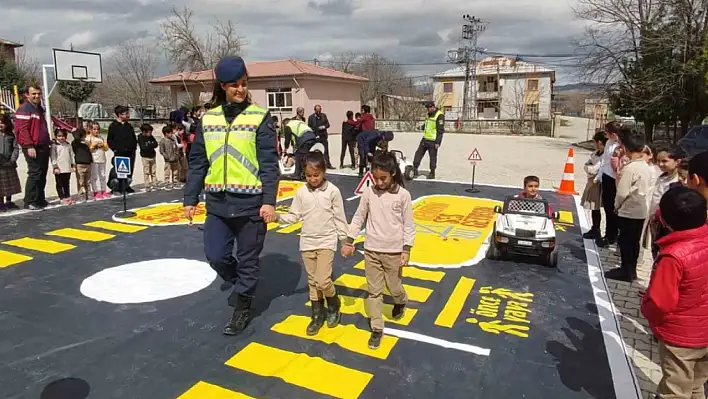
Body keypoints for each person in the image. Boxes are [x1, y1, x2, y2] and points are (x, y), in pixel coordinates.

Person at [183, 55, 279, 336]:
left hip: (251, 204)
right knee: (216, 255)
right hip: (218, 204)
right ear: (223, 86)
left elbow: (269, 163)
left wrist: (269, 201)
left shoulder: (259, 117)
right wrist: (190, 199)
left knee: (249, 259)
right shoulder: (208, 119)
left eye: (244, 84)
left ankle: (243, 306)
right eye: (234, 85)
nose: (240, 90)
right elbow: (198, 160)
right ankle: (243, 283)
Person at [640, 186, 708, 399]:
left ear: (666, 222)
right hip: (705, 332)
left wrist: (649, 313)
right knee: (696, 385)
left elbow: (660, 303)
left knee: (675, 390)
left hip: (681, 337)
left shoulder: (672, 256)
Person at [342, 152, 415, 349]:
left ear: (393, 174)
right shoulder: (369, 193)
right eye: (376, 178)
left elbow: (408, 225)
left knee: (394, 286)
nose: (379, 182)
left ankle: (401, 300)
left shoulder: (403, 196)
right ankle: (376, 329)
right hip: (371, 251)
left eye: (383, 178)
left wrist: (406, 250)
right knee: (373, 292)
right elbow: (358, 217)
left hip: (393, 252)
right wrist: (349, 240)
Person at [277, 151, 349, 335]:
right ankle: (317, 315)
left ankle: (333, 304)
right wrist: (277, 217)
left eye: (316, 175)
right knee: (313, 282)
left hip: (327, 241)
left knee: (323, 280)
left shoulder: (332, 191)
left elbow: (340, 218)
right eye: (308, 176)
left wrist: (345, 241)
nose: (313, 179)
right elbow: (294, 216)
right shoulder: (302, 192)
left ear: (324, 172)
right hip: (307, 242)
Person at [606, 131, 652, 282]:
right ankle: (632, 270)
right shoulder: (646, 167)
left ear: (625, 148)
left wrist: (616, 206)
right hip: (641, 210)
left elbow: (622, 192)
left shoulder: (630, 168)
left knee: (625, 241)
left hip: (628, 210)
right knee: (634, 242)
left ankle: (625, 271)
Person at [644, 147, 684, 259]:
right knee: (655, 250)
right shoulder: (662, 175)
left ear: (677, 162)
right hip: (655, 221)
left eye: (664, 161)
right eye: (658, 161)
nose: (660, 164)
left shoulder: (678, 182)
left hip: (666, 225)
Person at [15, 84, 51, 210]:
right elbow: (22, 129)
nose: (36, 96)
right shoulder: (24, 109)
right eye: (33, 94)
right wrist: (29, 146)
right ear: (27, 95)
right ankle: (29, 200)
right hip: (32, 146)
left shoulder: (39, 109)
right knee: (35, 173)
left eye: (38, 93)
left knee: (42, 172)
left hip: (43, 146)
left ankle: (40, 199)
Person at [596, 121, 621, 247]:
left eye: (607, 132)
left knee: (615, 209)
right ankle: (608, 234)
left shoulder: (622, 145)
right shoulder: (609, 144)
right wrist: (599, 176)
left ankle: (614, 235)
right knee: (607, 207)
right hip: (607, 177)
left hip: (617, 179)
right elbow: (605, 162)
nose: (606, 135)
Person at [581, 130, 606, 238]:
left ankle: (598, 230)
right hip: (591, 182)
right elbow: (587, 166)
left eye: (595, 142)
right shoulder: (595, 153)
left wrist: (590, 167)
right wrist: (589, 167)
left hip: (598, 182)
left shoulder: (605, 156)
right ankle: (594, 228)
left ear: (599, 142)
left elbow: (594, 169)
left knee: (597, 207)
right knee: (593, 207)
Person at [107, 105, 137, 194]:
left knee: (129, 170)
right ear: (119, 115)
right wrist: (115, 149)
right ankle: (117, 188)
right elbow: (110, 140)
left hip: (130, 152)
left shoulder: (129, 126)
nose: (128, 115)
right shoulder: (113, 126)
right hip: (120, 152)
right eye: (126, 113)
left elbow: (133, 137)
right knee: (119, 170)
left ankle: (126, 186)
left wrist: (133, 146)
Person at [413, 101, 444, 179]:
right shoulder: (429, 115)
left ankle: (432, 173)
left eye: (429, 108)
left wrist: (438, 142)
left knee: (432, 158)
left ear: (433, 107)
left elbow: (440, 130)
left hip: (433, 141)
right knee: (418, 154)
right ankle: (415, 169)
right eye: (427, 108)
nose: (428, 109)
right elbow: (427, 124)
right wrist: (421, 127)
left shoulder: (439, 115)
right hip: (425, 139)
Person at [0, 113, 21, 211]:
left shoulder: (11, 135)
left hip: (10, 164)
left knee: (9, 184)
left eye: (2, 123)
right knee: (1, 185)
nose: (1, 125)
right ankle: (1, 203)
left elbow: (15, 148)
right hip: (0, 164)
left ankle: (9, 201)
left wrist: (12, 160)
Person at [50, 129, 75, 205]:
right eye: (59, 136)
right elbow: (53, 157)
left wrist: (73, 165)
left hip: (67, 168)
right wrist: (55, 167)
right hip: (59, 169)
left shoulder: (68, 145)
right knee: (59, 184)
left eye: (63, 136)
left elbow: (72, 155)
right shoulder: (54, 146)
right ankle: (62, 198)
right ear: (56, 136)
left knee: (66, 183)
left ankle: (67, 196)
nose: (61, 138)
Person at [86, 121, 108, 199]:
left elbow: (106, 148)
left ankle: (103, 190)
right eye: (94, 129)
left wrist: (103, 145)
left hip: (102, 159)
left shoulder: (101, 137)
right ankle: (95, 191)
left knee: (103, 175)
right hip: (94, 159)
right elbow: (88, 149)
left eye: (98, 129)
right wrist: (94, 145)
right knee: (94, 176)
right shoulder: (88, 138)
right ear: (90, 129)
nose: (96, 131)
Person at [308, 105, 333, 169]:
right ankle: (317, 165)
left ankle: (328, 164)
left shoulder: (323, 115)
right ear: (315, 110)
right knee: (316, 152)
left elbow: (328, 124)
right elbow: (309, 127)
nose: (319, 112)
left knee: (326, 151)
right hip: (316, 137)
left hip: (323, 136)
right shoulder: (311, 117)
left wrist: (324, 126)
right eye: (317, 111)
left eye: (320, 110)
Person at [71, 128, 92, 202]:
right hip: (79, 164)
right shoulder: (75, 143)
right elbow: (76, 137)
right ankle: (81, 196)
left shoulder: (86, 143)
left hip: (88, 164)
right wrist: (74, 132)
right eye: (83, 135)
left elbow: (89, 153)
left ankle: (88, 195)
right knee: (80, 182)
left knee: (88, 181)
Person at [137, 123, 158, 191]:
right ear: (144, 131)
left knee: (153, 172)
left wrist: (150, 145)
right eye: (149, 132)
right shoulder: (140, 137)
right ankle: (147, 185)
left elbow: (156, 144)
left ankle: (155, 184)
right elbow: (143, 147)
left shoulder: (151, 137)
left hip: (152, 156)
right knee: (146, 172)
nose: (151, 133)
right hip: (145, 157)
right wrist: (150, 145)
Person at [160, 125, 180, 189]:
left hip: (175, 159)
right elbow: (162, 151)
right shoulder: (162, 141)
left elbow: (176, 148)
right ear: (166, 133)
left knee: (175, 172)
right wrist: (166, 157)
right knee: (167, 173)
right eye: (170, 133)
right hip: (168, 161)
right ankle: (167, 184)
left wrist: (177, 155)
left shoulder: (173, 140)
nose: (172, 134)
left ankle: (175, 182)